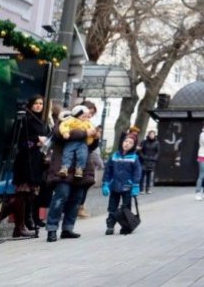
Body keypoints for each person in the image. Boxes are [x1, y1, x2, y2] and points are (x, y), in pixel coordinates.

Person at [0, 94, 51, 238]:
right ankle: (17, 227)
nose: (39, 106)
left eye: (41, 103)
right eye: (36, 103)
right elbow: (18, 141)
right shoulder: (25, 121)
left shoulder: (40, 121)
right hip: (25, 161)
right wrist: (36, 141)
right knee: (22, 195)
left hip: (36, 161)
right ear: (30, 104)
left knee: (26, 196)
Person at [45, 101, 99, 242]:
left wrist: (95, 137)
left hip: (81, 168)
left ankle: (68, 228)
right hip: (63, 167)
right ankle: (51, 229)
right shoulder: (65, 119)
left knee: (76, 200)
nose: (89, 116)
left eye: (91, 114)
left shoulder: (88, 125)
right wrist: (85, 132)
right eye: (88, 112)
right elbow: (60, 134)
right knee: (61, 197)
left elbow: (91, 146)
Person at [102, 136, 141, 235]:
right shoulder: (114, 156)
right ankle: (110, 225)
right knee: (112, 207)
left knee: (126, 207)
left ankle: (126, 226)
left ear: (133, 146)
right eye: (125, 141)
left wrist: (135, 185)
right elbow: (108, 171)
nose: (127, 144)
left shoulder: (134, 158)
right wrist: (105, 184)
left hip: (127, 186)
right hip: (114, 186)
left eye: (130, 142)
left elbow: (137, 172)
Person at [57, 104, 94, 177]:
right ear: (77, 115)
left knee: (83, 155)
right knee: (67, 153)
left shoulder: (88, 123)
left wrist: (93, 136)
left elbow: (92, 130)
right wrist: (65, 132)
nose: (85, 118)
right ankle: (64, 168)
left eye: (86, 116)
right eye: (83, 116)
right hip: (71, 141)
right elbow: (64, 125)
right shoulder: (72, 120)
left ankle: (79, 169)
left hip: (82, 142)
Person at [139, 130, 160, 194]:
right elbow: (140, 150)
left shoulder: (157, 143)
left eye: (153, 134)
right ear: (148, 135)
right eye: (150, 134)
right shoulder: (144, 142)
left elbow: (158, 151)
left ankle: (148, 189)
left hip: (151, 160)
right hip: (144, 160)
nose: (151, 135)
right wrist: (143, 157)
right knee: (142, 175)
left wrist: (154, 158)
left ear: (154, 135)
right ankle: (141, 189)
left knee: (149, 175)